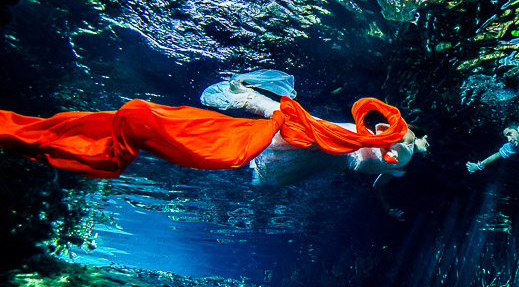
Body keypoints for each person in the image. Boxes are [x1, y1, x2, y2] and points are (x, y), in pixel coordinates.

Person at [0, 69, 427, 219]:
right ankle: (255, 103)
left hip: (329, 158)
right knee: (295, 127)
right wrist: (390, 160)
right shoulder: (399, 150)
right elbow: (380, 160)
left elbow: (382, 182)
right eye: (419, 143)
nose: (417, 146)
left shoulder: (400, 159)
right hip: (331, 150)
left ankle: (258, 106)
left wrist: (389, 208)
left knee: (294, 130)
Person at [201, 70, 429, 219]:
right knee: (304, 126)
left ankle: (249, 108)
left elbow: (378, 185)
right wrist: (384, 147)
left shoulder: (401, 168)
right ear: (419, 136)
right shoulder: (407, 137)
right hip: (349, 141)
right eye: (427, 139)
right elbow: (381, 130)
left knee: (300, 137)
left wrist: (388, 209)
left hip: (342, 160)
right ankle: (249, 98)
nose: (428, 145)